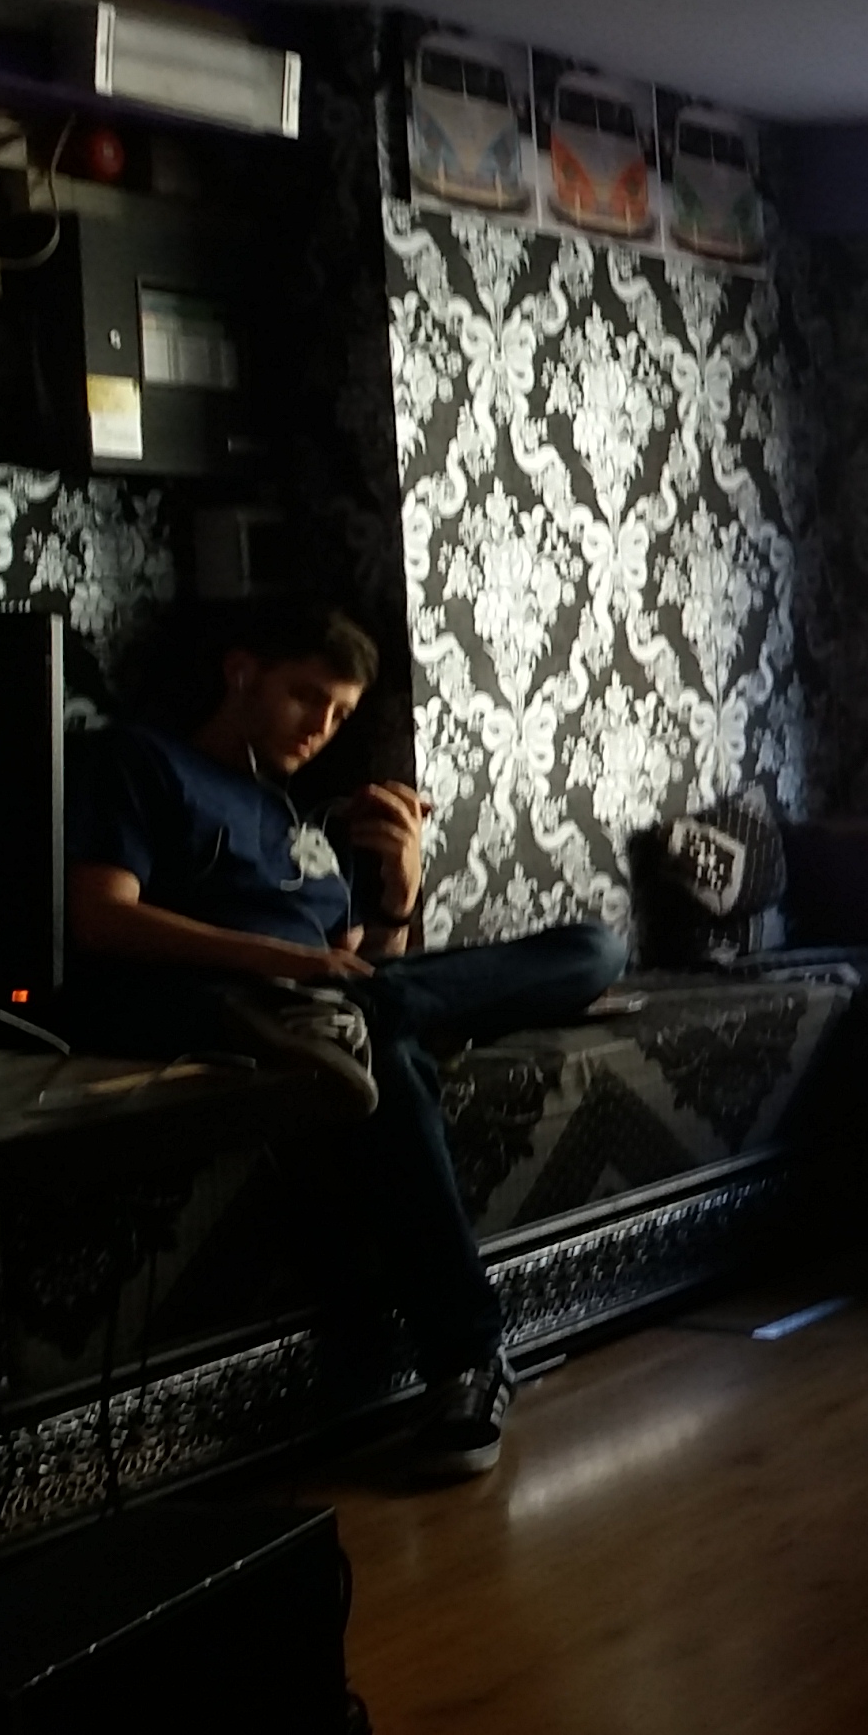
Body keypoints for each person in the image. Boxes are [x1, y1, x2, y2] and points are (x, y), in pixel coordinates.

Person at [60, 598, 624, 1479]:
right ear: (242, 673)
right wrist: (281, 963)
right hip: (225, 1000)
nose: (321, 727)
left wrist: (399, 891)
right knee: (378, 1049)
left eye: (339, 714)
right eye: (306, 697)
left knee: (594, 947)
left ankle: (343, 1021)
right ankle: (469, 1361)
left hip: (334, 1006)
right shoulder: (141, 760)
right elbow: (98, 917)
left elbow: (365, 960)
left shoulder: (296, 812)